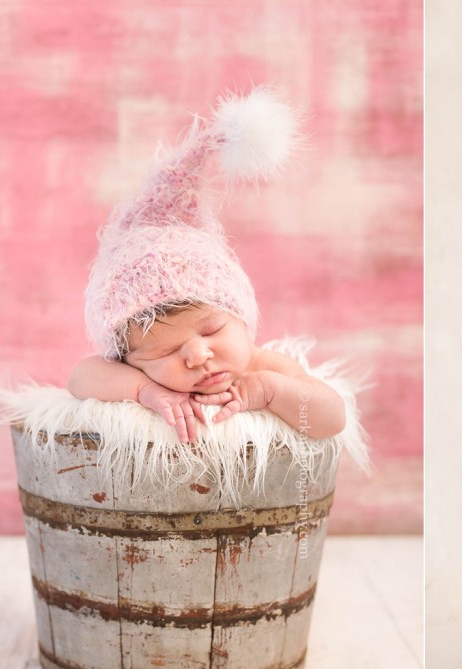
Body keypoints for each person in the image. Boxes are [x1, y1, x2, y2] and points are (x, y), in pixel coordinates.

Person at [67, 89, 345, 444]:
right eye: (166, 351)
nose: (198, 356)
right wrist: (146, 392)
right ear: (131, 361)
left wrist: (271, 391)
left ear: (240, 319)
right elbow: (81, 377)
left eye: (211, 330)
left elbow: (332, 419)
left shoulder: (261, 368)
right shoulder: (140, 377)